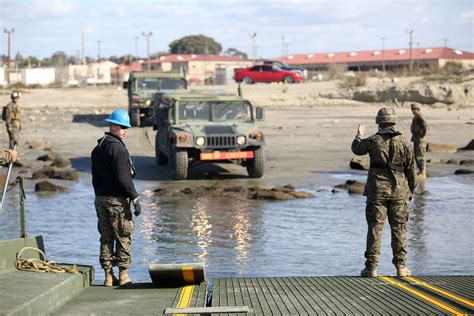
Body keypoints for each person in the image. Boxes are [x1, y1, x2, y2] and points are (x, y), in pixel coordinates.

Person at [352, 107, 416, 277]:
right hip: (399, 192)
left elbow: (357, 149)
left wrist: (359, 134)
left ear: (378, 122)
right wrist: (411, 189)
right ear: (394, 121)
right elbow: (411, 169)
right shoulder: (404, 142)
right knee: (400, 229)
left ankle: (371, 268)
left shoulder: (373, 140)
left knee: (375, 228)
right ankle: (401, 268)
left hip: (377, 192)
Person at [91, 109, 141, 287]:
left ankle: (108, 276)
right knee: (123, 236)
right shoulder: (117, 148)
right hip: (117, 201)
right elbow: (123, 178)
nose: (125, 130)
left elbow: (95, 177)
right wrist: (134, 198)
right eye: (122, 127)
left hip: (100, 199)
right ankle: (124, 275)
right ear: (113, 126)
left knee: (106, 237)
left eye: (126, 127)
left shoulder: (98, 147)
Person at [410, 103, 428, 178]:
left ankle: (423, 172)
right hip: (416, 137)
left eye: (414, 109)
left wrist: (422, 134)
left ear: (418, 109)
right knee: (416, 155)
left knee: (420, 155)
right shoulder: (415, 117)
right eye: (412, 109)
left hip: (420, 138)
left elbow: (425, 125)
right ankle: (420, 171)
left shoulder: (420, 116)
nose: (413, 111)